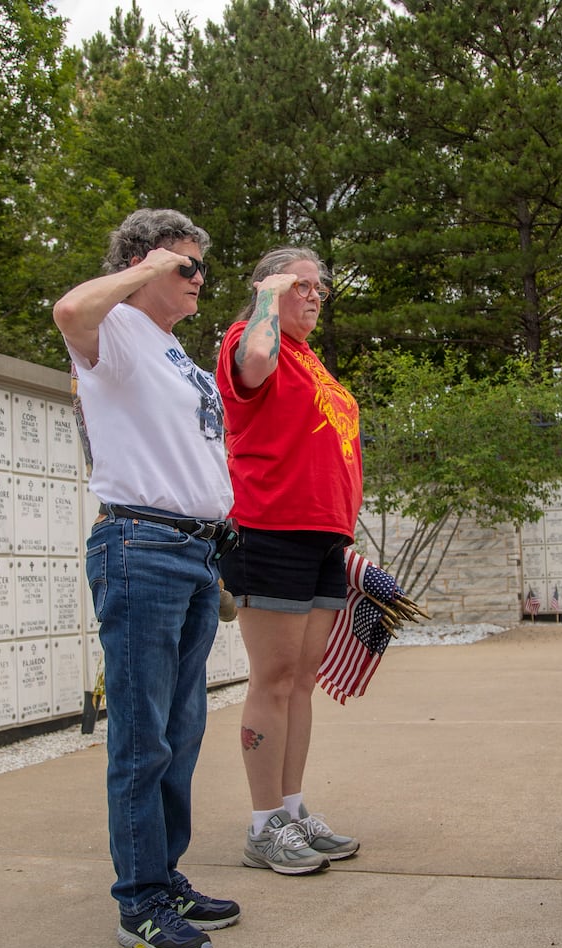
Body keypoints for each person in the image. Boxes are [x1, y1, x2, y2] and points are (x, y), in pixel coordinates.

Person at [53, 208, 239, 948]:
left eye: (199, 268)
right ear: (150, 264)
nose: (199, 280)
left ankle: (164, 876)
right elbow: (69, 309)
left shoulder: (173, 355)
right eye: (187, 267)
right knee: (142, 738)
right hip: (142, 547)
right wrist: (146, 268)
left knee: (182, 731)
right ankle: (139, 904)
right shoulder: (118, 334)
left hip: (196, 555)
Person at [215, 247, 364, 875]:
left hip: (322, 537)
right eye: (299, 285)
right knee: (272, 679)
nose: (313, 295)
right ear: (268, 289)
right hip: (269, 529)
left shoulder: (312, 363)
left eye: (318, 287)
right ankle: (262, 824)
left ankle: (293, 809)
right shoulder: (250, 339)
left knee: (302, 681)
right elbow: (253, 366)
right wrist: (268, 300)